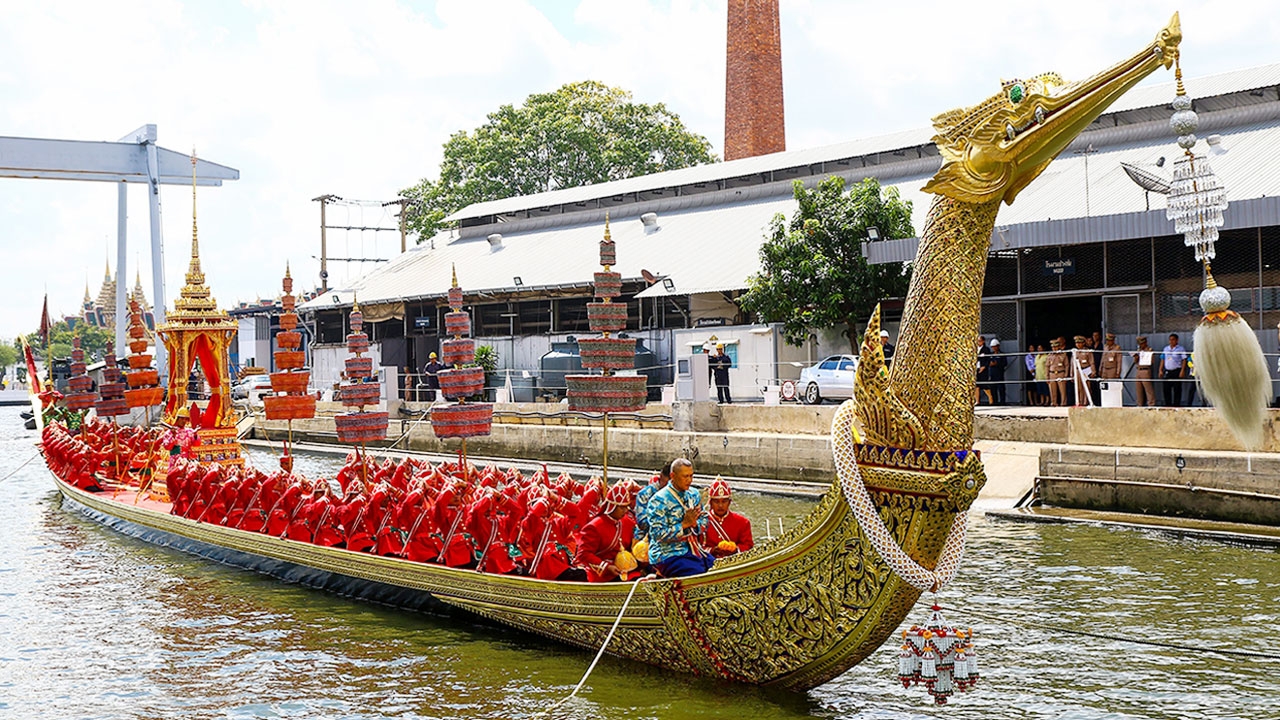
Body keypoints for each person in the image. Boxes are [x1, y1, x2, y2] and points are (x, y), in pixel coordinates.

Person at [647, 458, 713, 577]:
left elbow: (704, 519)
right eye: (685, 476)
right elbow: (657, 534)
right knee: (699, 576)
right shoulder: (658, 500)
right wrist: (683, 525)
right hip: (668, 554)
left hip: (694, 550)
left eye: (691, 476)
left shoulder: (693, 494)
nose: (689, 480)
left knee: (719, 569)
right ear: (673, 476)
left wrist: (694, 524)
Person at [575, 483, 641, 582]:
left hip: (625, 569)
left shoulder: (628, 522)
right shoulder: (594, 526)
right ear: (612, 506)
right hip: (601, 572)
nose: (625, 510)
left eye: (626, 507)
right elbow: (583, 554)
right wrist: (606, 567)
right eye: (621, 507)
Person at [702, 477, 753, 557]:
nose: (720, 505)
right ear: (710, 502)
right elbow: (696, 547)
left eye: (724, 501)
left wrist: (735, 549)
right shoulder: (701, 521)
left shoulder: (743, 522)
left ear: (729, 502)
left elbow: (748, 546)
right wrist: (712, 550)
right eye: (716, 501)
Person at [634, 464, 670, 538]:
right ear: (661, 476)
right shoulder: (644, 494)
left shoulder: (684, 494)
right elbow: (642, 522)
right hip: (647, 537)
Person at [1161, 333, 1188, 407]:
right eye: (1170, 340)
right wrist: (1160, 370)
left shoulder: (1181, 349)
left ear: (1177, 340)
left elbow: (1184, 360)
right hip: (1168, 371)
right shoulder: (1166, 349)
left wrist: (1182, 371)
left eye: (1173, 340)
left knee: (1177, 389)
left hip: (1176, 370)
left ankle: (1176, 405)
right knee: (1166, 389)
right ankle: (1168, 405)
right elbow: (1163, 359)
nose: (1171, 341)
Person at [1131, 336, 1157, 407]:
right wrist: (1136, 357)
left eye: (1142, 344)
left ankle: (1151, 403)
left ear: (1145, 343)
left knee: (1148, 389)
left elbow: (1151, 362)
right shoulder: (1139, 351)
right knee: (1138, 389)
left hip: (1145, 370)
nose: (1141, 345)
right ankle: (1139, 403)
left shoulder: (1149, 350)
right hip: (1139, 369)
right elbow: (1135, 362)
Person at [1071, 335, 1096, 407]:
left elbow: (1092, 362)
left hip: (1086, 370)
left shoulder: (1087, 351)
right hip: (1077, 371)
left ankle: (1086, 401)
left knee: (1086, 386)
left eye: (1080, 343)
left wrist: (1093, 371)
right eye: (1077, 343)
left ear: (1083, 343)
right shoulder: (1075, 351)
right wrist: (1071, 373)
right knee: (1078, 387)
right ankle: (1080, 401)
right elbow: (1072, 363)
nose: (1078, 344)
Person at [1099, 333, 1123, 404]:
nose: (1108, 342)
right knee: (1104, 385)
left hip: (1112, 369)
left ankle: (1112, 401)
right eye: (1107, 340)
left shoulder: (1117, 348)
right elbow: (1103, 358)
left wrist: (1118, 372)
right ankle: (1105, 401)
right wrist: (1100, 368)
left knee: (1111, 385)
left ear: (1113, 341)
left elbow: (1119, 361)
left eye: (1109, 340)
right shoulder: (1105, 347)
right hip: (1104, 369)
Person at [1046, 338, 1070, 407]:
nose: (1054, 348)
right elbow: (1047, 366)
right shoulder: (1050, 355)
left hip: (1061, 373)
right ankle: (1053, 402)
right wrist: (1047, 376)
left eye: (1056, 347)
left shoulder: (1063, 354)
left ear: (1058, 347)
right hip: (1052, 373)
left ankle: (1063, 403)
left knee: (1062, 390)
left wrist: (1066, 375)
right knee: (1052, 390)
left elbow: (1067, 365)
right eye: (1053, 347)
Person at [987, 338, 1008, 405]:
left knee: (1001, 388)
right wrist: (990, 364)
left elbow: (1005, 363)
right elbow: (987, 362)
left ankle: (1002, 402)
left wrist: (997, 364)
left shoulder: (1002, 354)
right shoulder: (990, 354)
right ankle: (995, 402)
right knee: (993, 389)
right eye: (992, 347)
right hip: (992, 374)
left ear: (998, 346)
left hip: (999, 374)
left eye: (995, 346)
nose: (994, 348)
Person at [975, 336, 991, 405]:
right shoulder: (975, 349)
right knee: (976, 385)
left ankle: (990, 398)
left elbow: (988, 359)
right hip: (976, 368)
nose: (979, 342)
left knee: (984, 385)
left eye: (980, 341)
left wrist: (984, 367)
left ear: (983, 341)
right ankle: (977, 401)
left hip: (983, 369)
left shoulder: (986, 349)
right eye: (978, 341)